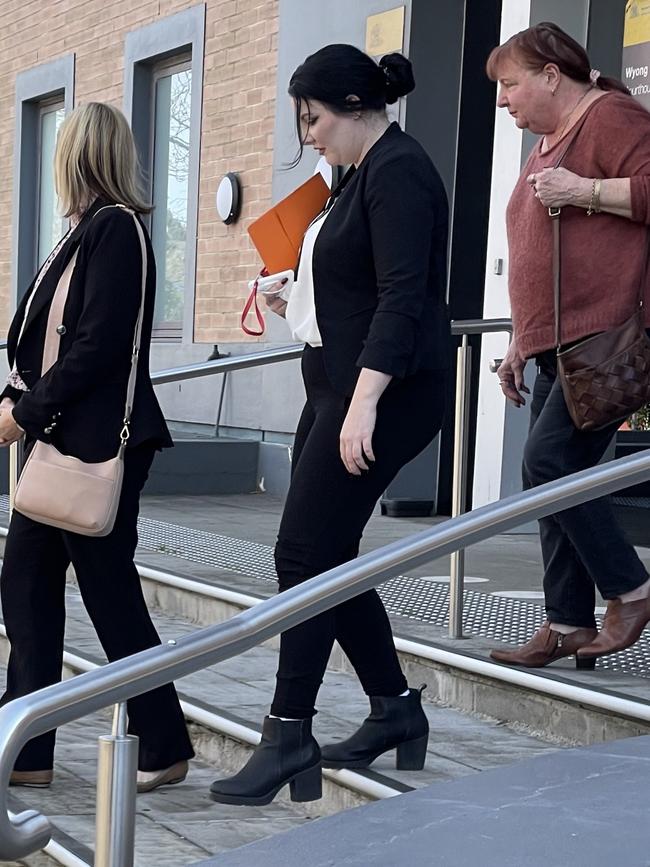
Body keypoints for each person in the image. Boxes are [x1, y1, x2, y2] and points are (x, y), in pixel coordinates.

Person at [210, 44, 450, 806]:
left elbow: (403, 297)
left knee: (304, 552)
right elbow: (354, 288)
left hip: (383, 392)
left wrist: (366, 402)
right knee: (324, 553)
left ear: (351, 106)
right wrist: (294, 301)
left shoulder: (399, 169)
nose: (307, 135)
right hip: (341, 386)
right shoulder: (356, 177)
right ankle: (393, 708)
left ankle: (288, 731)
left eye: (311, 119)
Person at [0, 102, 194, 791]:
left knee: (109, 595)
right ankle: (25, 750)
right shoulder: (81, 233)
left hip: (91, 446)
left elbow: (98, 346)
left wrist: (25, 413)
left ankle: (164, 740)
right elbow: (42, 338)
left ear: (76, 156)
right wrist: (17, 395)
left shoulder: (114, 230)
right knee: (25, 587)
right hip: (61, 443)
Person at [485, 22, 650, 670]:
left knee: (548, 467)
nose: (503, 101)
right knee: (552, 479)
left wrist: (582, 191)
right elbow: (543, 255)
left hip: (605, 336)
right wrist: (520, 343)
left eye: (509, 84)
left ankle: (632, 590)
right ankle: (567, 621)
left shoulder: (609, 116)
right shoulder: (550, 140)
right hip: (557, 343)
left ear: (552, 74)